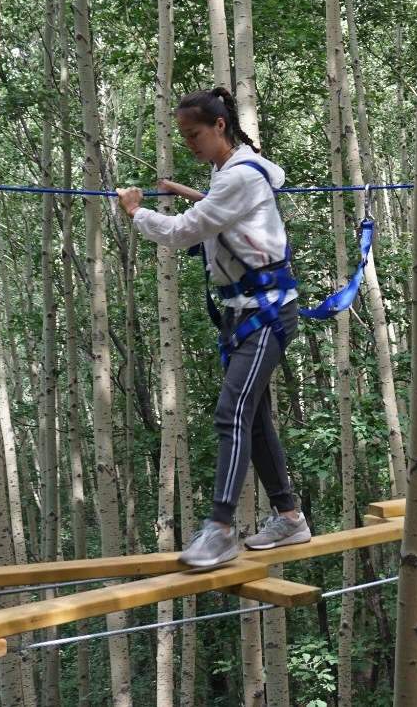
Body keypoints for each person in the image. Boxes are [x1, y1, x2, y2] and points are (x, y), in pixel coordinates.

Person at [117, 87, 311, 568]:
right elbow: (227, 217)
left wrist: (137, 211)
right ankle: (289, 516)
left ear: (220, 126)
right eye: (184, 136)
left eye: (195, 134)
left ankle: (221, 527)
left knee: (232, 411)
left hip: (265, 312)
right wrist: (191, 194)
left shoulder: (238, 178)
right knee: (255, 418)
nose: (190, 144)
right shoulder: (234, 173)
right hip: (245, 313)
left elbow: (186, 231)